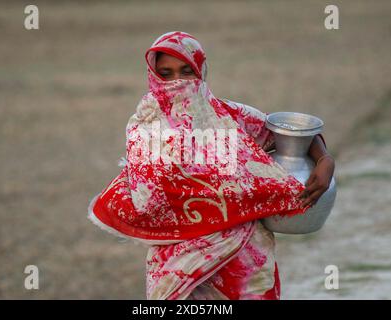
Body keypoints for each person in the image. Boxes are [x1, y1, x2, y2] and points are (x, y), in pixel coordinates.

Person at [88, 31, 335, 300]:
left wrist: (324, 159)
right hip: (177, 265)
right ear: (153, 76)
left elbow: (292, 134)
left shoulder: (231, 116)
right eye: (166, 74)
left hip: (244, 259)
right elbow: (147, 201)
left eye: (186, 71)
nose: (178, 82)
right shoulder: (145, 126)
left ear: (201, 71)